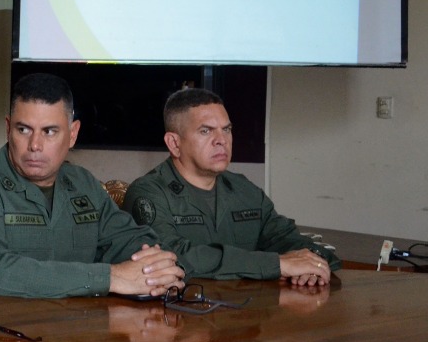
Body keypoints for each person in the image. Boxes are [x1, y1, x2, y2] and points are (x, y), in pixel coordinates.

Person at [0, 73, 185, 298]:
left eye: (49, 131)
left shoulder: (83, 183)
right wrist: (110, 278)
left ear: (73, 134)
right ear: (8, 129)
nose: (35, 145)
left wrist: (158, 268)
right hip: (5, 331)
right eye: (23, 130)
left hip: (82, 329)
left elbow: (130, 241)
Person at [122, 87, 340, 285]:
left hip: (245, 318)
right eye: (206, 131)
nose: (221, 140)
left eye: (226, 129)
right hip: (180, 317)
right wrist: (277, 264)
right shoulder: (149, 193)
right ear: (174, 143)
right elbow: (173, 256)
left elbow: (285, 238)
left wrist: (313, 262)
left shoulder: (244, 189)